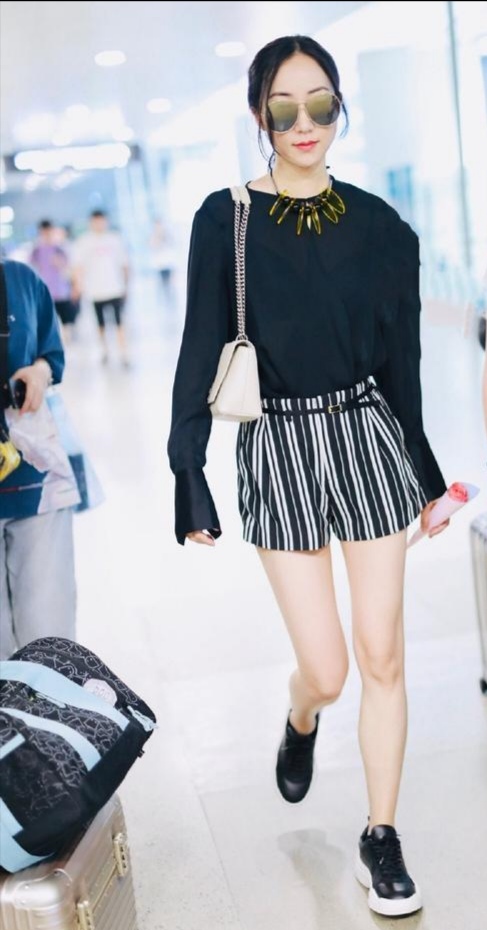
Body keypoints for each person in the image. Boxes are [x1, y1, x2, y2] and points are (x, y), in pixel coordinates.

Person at [167, 35, 449, 918]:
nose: (303, 122)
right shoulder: (225, 220)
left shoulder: (380, 226)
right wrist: (187, 467)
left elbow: (402, 363)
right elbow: (198, 345)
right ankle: (301, 717)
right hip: (277, 446)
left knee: (382, 654)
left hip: (366, 437)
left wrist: (427, 477)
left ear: (339, 108)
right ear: (259, 114)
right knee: (326, 670)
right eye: (283, 106)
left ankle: (380, 834)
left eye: (319, 102)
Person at [0, 259, 79, 660]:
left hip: (35, 476)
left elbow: (51, 353)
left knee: (49, 640)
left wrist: (40, 372)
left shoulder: (21, 279)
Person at [72, 210, 130, 366]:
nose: (99, 224)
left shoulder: (114, 239)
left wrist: (126, 285)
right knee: (100, 324)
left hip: (115, 288)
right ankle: (105, 351)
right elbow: (78, 266)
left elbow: (124, 264)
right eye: (96, 221)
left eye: (102, 220)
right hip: (95, 291)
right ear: (91, 222)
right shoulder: (84, 242)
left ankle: (123, 352)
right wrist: (78, 286)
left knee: (119, 322)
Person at [30, 219, 78, 339]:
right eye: (44, 231)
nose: (46, 234)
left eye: (48, 231)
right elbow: (32, 268)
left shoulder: (60, 248)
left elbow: (70, 268)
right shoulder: (36, 250)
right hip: (46, 292)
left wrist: (74, 287)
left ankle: (67, 341)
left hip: (62, 291)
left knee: (67, 321)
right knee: (49, 322)